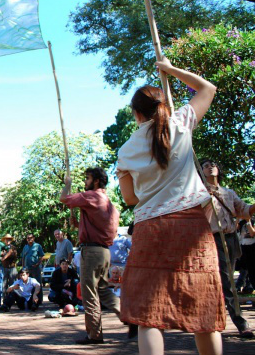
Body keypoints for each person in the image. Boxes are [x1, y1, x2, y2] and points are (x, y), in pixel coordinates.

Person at [116, 58, 224, 354]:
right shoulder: (181, 124)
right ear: (163, 105)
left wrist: (153, 189)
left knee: (148, 314)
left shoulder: (126, 151)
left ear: (137, 113)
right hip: (192, 225)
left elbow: (130, 199)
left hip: (151, 226)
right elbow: (207, 88)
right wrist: (168, 67)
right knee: (204, 310)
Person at [61, 167, 127, 345]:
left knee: (90, 294)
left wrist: (67, 185)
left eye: (88, 178)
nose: (85, 182)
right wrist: (78, 224)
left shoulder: (90, 196)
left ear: (96, 181)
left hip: (91, 252)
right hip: (104, 252)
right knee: (104, 290)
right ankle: (128, 316)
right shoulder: (107, 201)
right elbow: (99, 226)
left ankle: (94, 335)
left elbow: (64, 199)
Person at [200, 158, 255, 338]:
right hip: (212, 240)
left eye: (213, 165)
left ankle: (212, 319)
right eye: (206, 166)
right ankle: (241, 323)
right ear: (201, 172)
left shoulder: (229, 193)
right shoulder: (198, 193)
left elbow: (243, 210)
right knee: (227, 282)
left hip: (231, 239)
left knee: (226, 280)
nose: (210, 167)